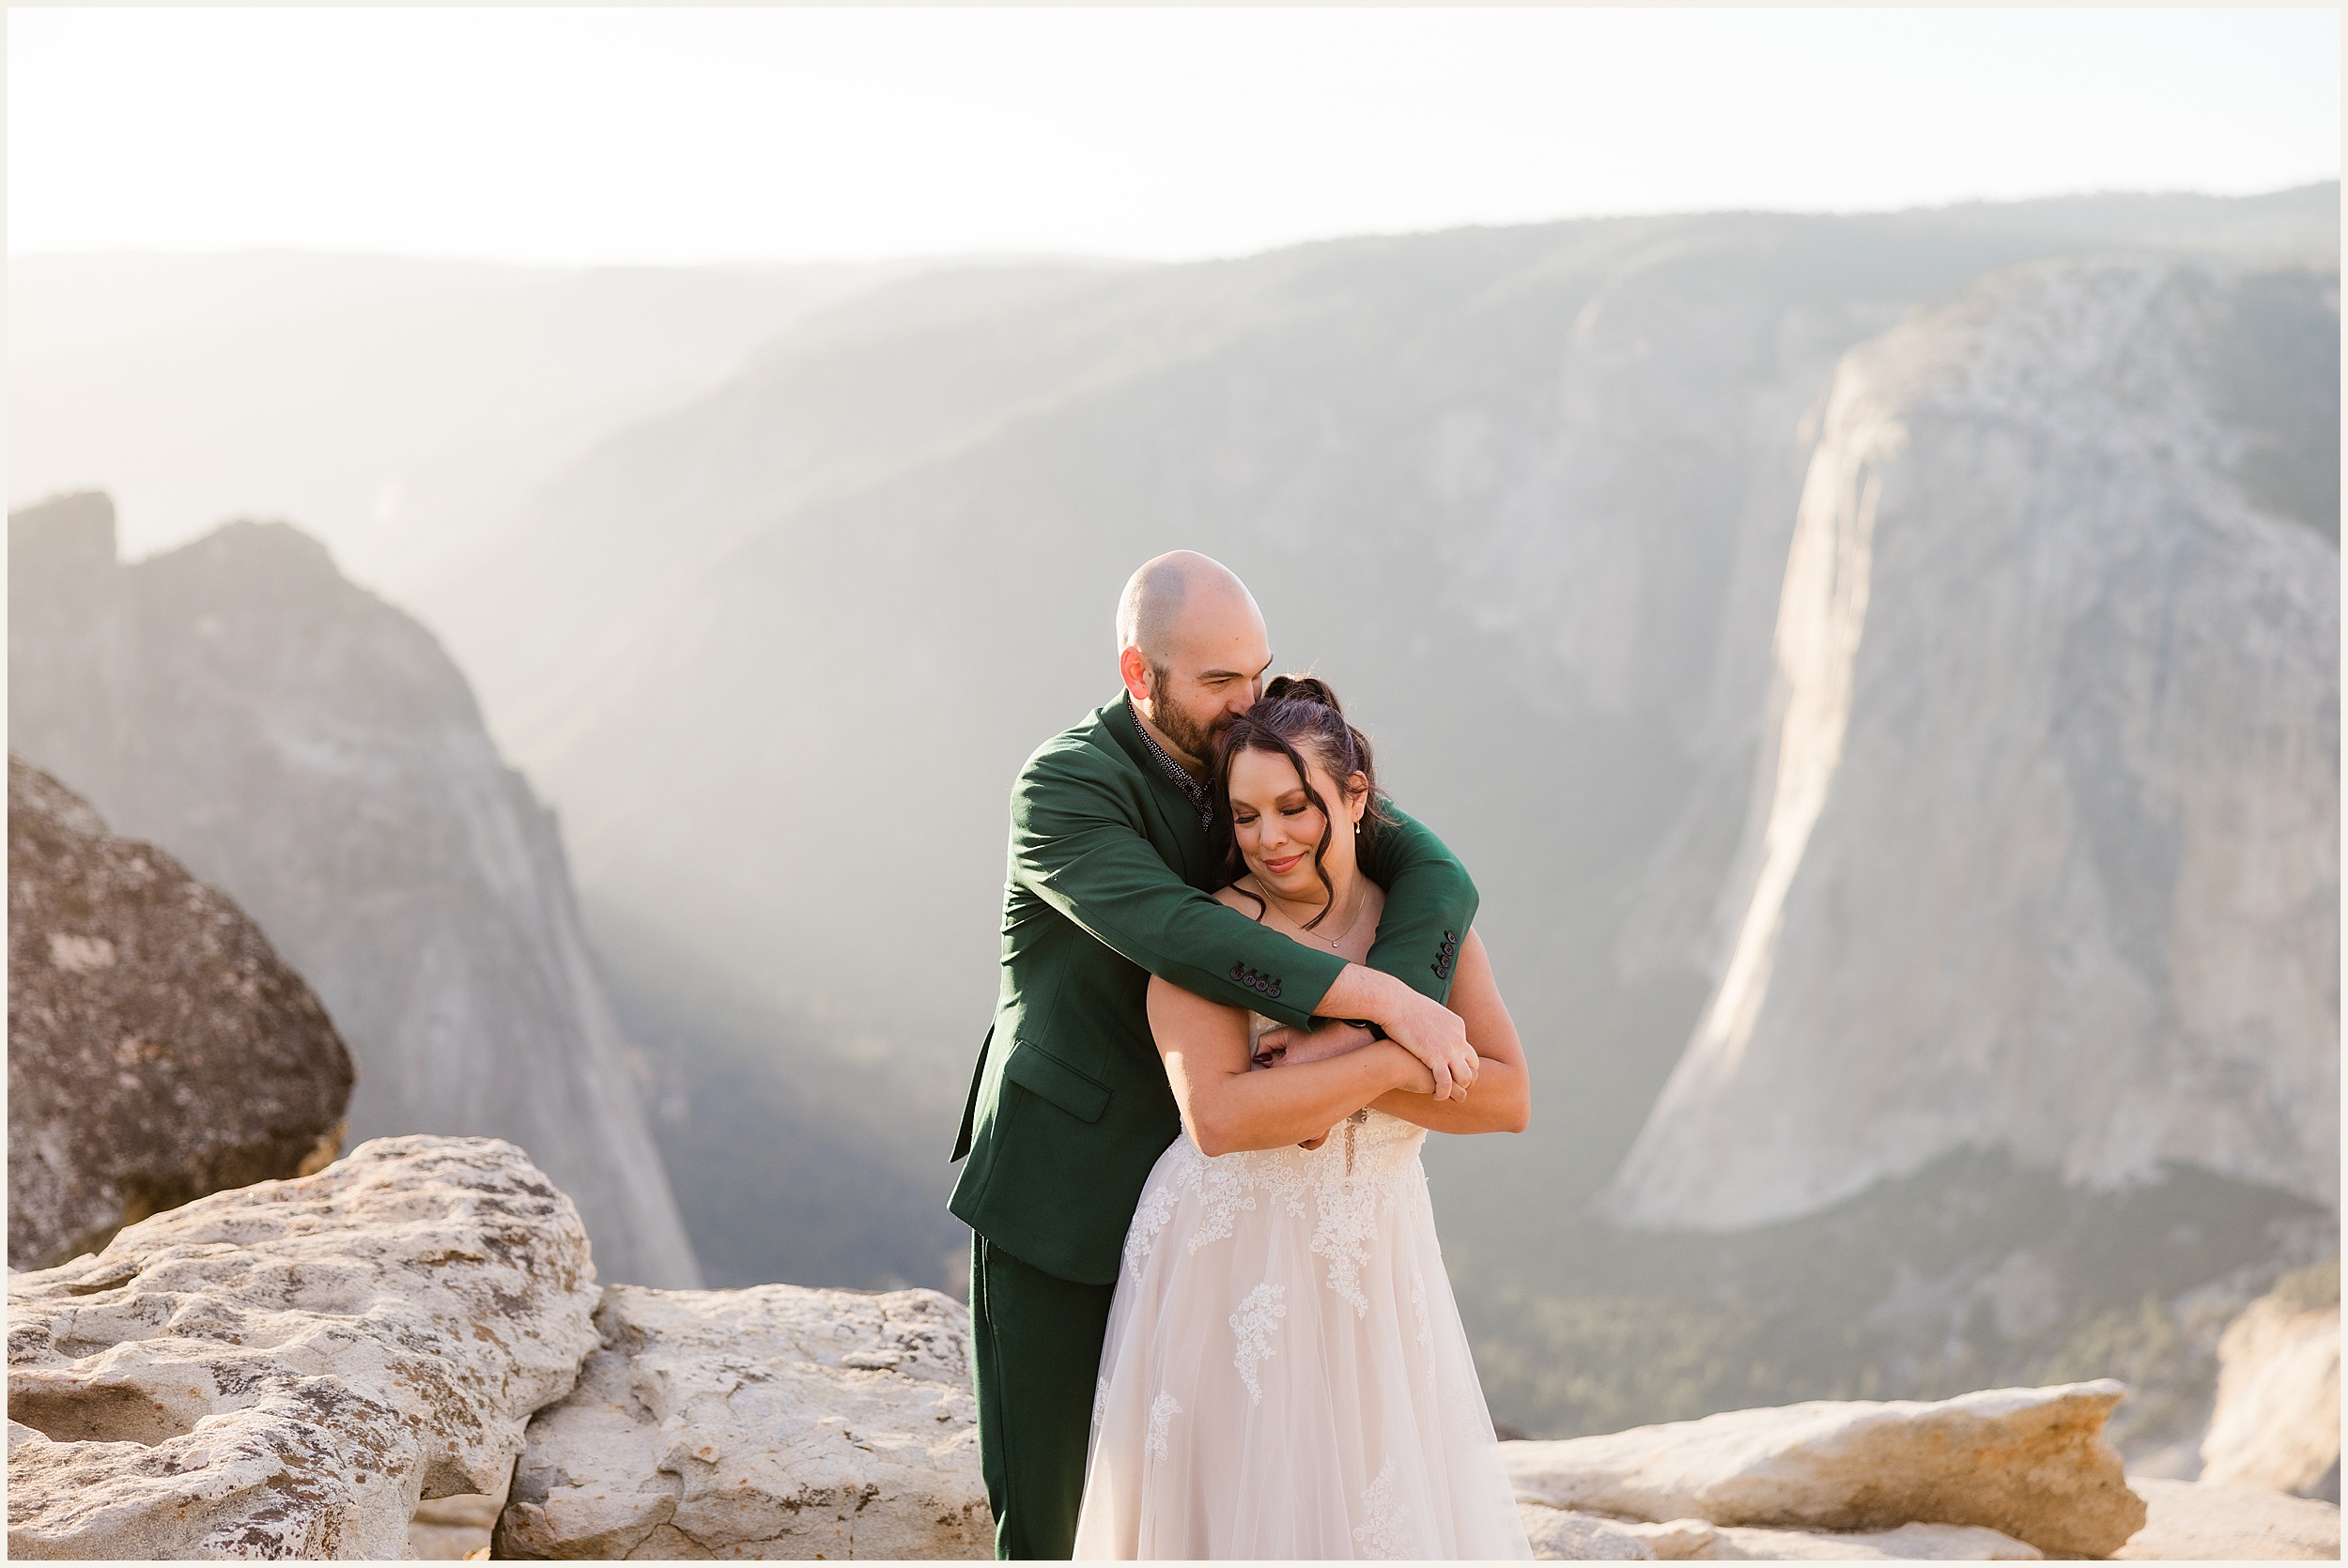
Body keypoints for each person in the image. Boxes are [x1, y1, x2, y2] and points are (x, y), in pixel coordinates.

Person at [950, 551, 1485, 1560]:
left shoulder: (1265, 761)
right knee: (1064, 1519)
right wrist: (1372, 1001)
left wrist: (1361, 1032)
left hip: (1218, 1216)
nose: (1251, 702)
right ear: (1135, 671)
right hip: (1064, 1199)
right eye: (1218, 682)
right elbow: (1172, 929)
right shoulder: (1061, 787)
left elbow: (1435, 871)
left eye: (1258, 670)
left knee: (1212, 1512)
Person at [1071, 675, 1533, 1560]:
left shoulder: (1429, 927)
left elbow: (1508, 1096)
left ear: (1357, 798)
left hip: (1380, 1259)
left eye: (1295, 806)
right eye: (1245, 818)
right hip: (1235, 1262)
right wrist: (1402, 1045)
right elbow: (1222, 1116)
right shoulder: (1209, 932)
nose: (1269, 840)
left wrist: (1326, 1063)